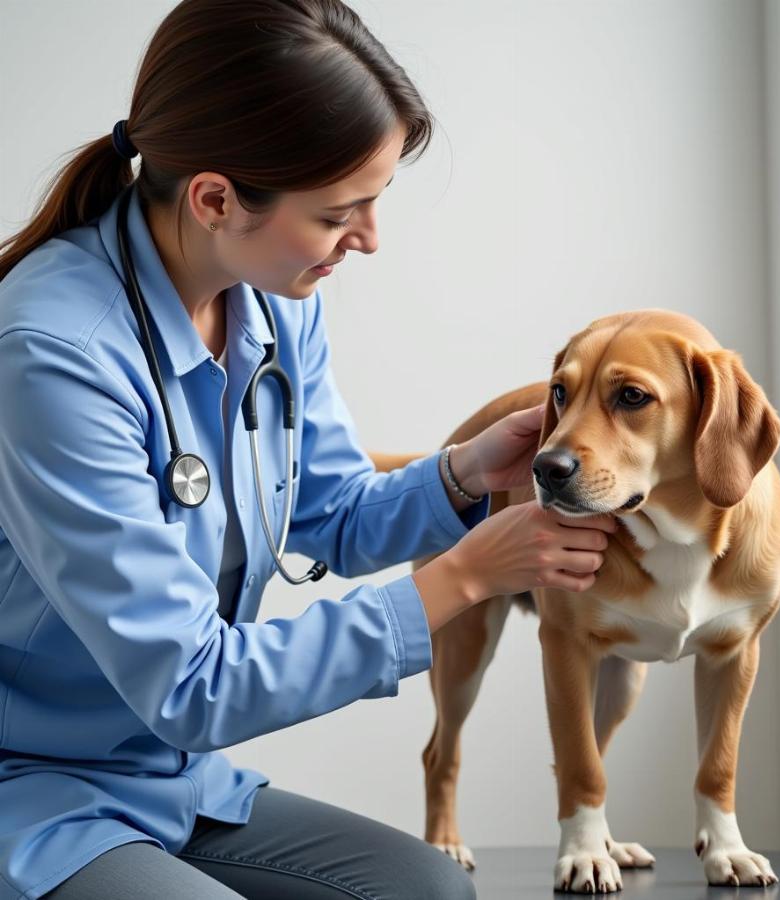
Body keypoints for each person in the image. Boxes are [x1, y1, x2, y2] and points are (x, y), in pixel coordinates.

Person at [0, 1, 617, 897]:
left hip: (169, 779)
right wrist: (463, 578)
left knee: (430, 890)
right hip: (33, 786)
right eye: (341, 212)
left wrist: (466, 477)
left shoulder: (278, 301)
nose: (369, 238)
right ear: (216, 198)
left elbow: (325, 513)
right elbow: (191, 685)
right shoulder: (55, 353)